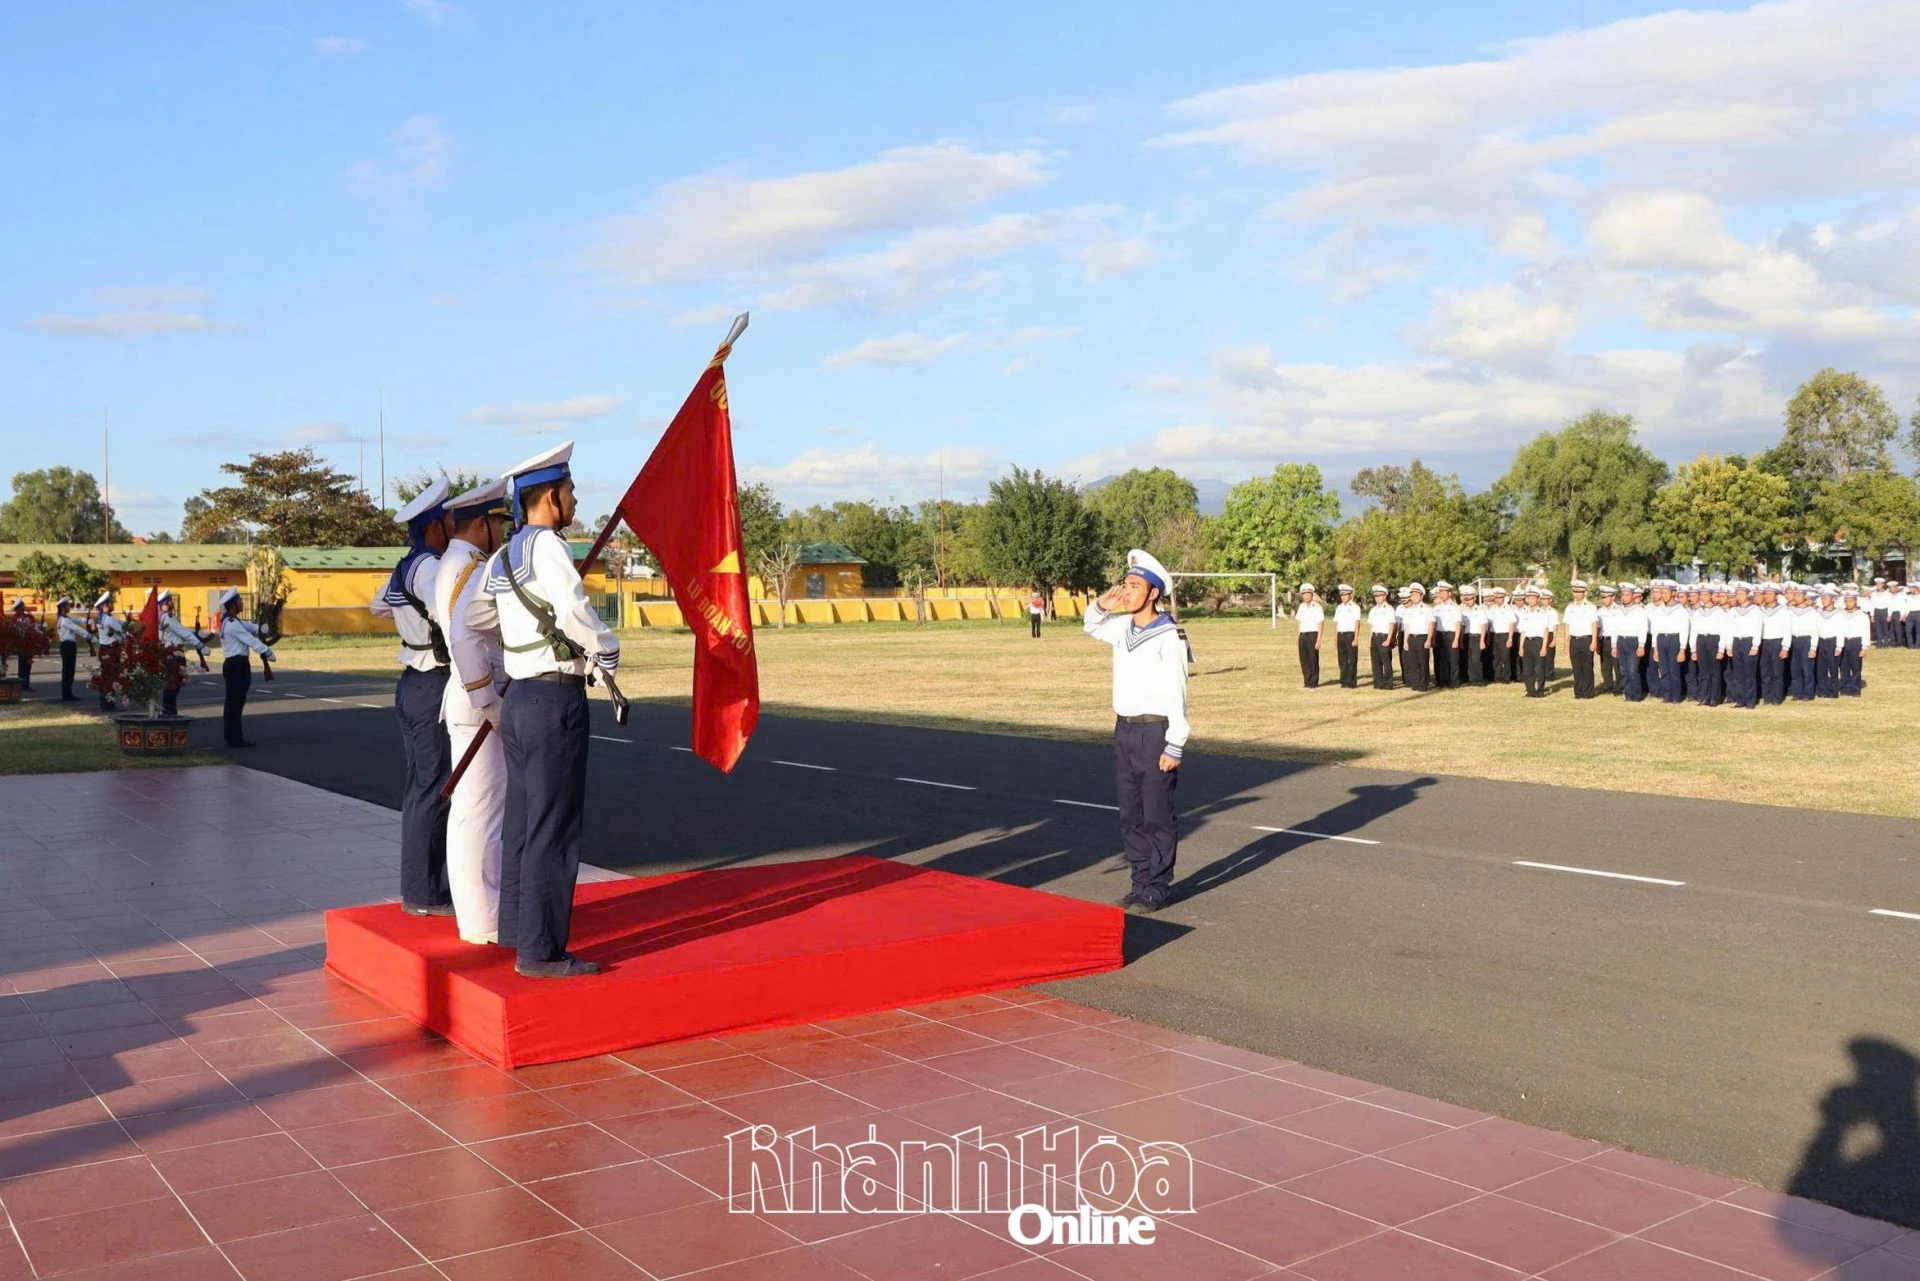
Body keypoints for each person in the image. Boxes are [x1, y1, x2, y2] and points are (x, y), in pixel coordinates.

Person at [474, 442, 621, 977]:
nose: (575, 500)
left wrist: (519, 642)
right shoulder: (549, 547)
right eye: (570, 491)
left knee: (523, 821)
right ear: (550, 498)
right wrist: (607, 651)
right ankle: (540, 952)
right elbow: (577, 613)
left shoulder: (503, 554)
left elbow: (474, 616)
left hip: (519, 696)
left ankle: (516, 930)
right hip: (553, 697)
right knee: (553, 827)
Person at [1084, 549, 1188, 914]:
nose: (1127, 592)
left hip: (1154, 731)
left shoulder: (1169, 635)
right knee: (1131, 813)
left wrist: (1175, 744)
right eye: (1125, 584)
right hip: (1125, 730)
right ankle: (1140, 881)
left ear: (1153, 593)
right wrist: (1102, 604)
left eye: (1135, 586)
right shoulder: (1122, 627)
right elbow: (1090, 625)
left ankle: (1157, 886)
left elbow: (1178, 691)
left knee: (1156, 813)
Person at [372, 478, 458, 920]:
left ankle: (419, 888)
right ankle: (428, 893)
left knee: (420, 786)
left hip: (412, 680)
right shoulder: (430, 568)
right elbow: (452, 615)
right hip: (432, 682)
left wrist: (410, 622)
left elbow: (378, 606)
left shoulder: (405, 565)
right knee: (435, 787)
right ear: (435, 527)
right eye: (450, 519)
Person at [436, 479, 512, 947]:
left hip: (468, 696)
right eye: (499, 523)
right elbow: (465, 637)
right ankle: (485, 918)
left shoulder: (454, 562)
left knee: (472, 813)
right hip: (477, 700)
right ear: (482, 524)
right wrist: (488, 700)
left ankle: (477, 914)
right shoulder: (471, 568)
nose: (503, 532)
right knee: (482, 815)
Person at [215, 587, 274, 746]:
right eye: (239, 601)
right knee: (236, 703)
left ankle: (232, 736)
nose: (242, 603)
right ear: (232, 605)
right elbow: (250, 640)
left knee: (232, 702)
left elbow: (248, 627)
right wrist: (267, 651)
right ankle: (236, 739)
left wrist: (259, 628)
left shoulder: (230, 621)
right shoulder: (232, 624)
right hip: (237, 665)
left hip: (232, 665)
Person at [156, 590, 209, 716]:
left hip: (169, 654)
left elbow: (181, 629)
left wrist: (195, 633)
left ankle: (169, 712)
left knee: (172, 685)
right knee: (173, 686)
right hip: (174, 656)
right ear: (162, 605)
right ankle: (169, 713)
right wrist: (200, 645)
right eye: (168, 602)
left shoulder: (163, 617)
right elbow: (183, 633)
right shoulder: (168, 618)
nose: (171, 604)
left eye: (170, 601)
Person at [1647, 580, 1689, 704]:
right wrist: (1655, 647)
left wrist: (1682, 648)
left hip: (1674, 639)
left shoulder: (1680, 609)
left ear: (1673, 593)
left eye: (1666, 592)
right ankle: (1667, 695)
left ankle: (1675, 696)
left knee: (1673, 669)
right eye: (1662, 593)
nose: (1663, 595)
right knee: (1663, 669)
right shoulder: (1659, 609)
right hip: (1661, 639)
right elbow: (1655, 629)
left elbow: (1684, 629)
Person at [1723, 583, 1763, 710]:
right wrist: (1729, 646)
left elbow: (1758, 628)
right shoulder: (1733, 610)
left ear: (1747, 595)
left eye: (1741, 594)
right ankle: (1740, 699)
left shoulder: (1755, 610)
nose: (1738, 597)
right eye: (1737, 594)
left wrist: (1755, 645)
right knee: (1738, 673)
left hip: (1748, 642)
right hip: (1736, 642)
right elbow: (1729, 629)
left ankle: (1750, 700)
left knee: (1749, 673)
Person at [1563, 580, 1599, 699]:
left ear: (1584, 592)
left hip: (1586, 639)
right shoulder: (1570, 607)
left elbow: (1594, 624)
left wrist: (1594, 641)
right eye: (1575, 591)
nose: (1576, 594)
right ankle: (1578, 692)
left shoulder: (1591, 607)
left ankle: (1588, 692)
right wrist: (1566, 642)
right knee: (1576, 667)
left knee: (1587, 666)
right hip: (1574, 639)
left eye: (1579, 591)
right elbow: (1567, 625)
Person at [1615, 583, 1650, 702]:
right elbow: (1615, 628)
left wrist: (1641, 645)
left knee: (1632, 670)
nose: (1624, 597)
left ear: (1633, 596)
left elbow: (1643, 628)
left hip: (1633, 641)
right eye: (1623, 595)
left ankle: (1636, 695)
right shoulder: (1619, 610)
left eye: (1627, 595)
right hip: (1621, 640)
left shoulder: (1639, 610)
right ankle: (1628, 695)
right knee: (1623, 670)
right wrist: (1614, 645)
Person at [1758, 582, 1791, 705]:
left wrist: (1785, 647)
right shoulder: (1760, 610)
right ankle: (1767, 697)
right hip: (1764, 642)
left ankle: (1777, 698)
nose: (1767, 596)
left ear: (1776, 596)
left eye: (1770, 594)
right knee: (1765, 671)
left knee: (1777, 672)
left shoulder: (1783, 610)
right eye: (1765, 593)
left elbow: (1787, 629)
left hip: (1777, 642)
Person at [1692, 584, 1725, 708]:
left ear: (1711, 595)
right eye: (1701, 594)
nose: (1703, 597)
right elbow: (1694, 631)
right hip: (1701, 639)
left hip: (1713, 639)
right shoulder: (1698, 612)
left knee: (1714, 671)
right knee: (1704, 671)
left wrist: (1721, 648)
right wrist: (1693, 649)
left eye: (1705, 594)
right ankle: (1705, 696)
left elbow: (1723, 630)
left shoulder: (1719, 611)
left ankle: (1714, 698)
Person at [1515, 585, 1550, 697]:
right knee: (1527, 668)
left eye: (1533, 598)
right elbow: (1523, 632)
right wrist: (1521, 647)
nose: (1531, 600)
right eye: (1529, 597)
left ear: (1538, 599)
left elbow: (1545, 631)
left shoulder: (1543, 613)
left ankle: (1540, 691)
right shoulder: (1525, 613)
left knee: (1539, 668)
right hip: (1527, 642)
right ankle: (1530, 690)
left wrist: (1544, 647)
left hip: (1538, 642)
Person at [1786, 583, 1819, 701]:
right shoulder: (1790, 611)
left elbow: (1815, 630)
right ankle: (1797, 692)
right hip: (1794, 640)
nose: (1797, 597)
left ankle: (1808, 693)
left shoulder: (1811, 611)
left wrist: (1813, 647)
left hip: (1806, 640)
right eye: (1795, 595)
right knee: (1795, 668)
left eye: (1799, 595)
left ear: (1805, 596)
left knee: (1807, 668)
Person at [1398, 583, 1433, 692]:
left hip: (1422, 637)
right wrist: (1405, 641)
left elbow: (1431, 624)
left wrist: (1429, 639)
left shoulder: (1427, 609)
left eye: (1416, 595)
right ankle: (1415, 683)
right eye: (1412, 595)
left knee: (1423, 662)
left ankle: (1423, 684)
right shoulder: (1409, 610)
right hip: (1411, 638)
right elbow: (1407, 626)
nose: (1414, 597)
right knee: (1413, 662)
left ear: (1421, 596)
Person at [93, 592, 124, 711]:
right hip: (111, 650)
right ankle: (109, 704)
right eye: (110, 603)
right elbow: (121, 630)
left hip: (104, 649)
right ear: (105, 605)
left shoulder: (102, 618)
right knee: (111, 677)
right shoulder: (109, 619)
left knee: (106, 677)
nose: (112, 605)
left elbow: (118, 623)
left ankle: (105, 702)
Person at [1838, 587, 1869, 696]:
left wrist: (1864, 647)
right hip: (1844, 641)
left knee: (1856, 667)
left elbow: (1866, 631)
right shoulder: (1841, 614)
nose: (1848, 603)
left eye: (1850, 601)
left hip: (1856, 642)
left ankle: (1856, 689)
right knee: (1844, 666)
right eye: (1846, 601)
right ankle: (1845, 687)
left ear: (1856, 601)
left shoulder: (1862, 615)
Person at [55, 596, 88, 701]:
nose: (70, 607)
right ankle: (67, 694)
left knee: (67, 670)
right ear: (63, 607)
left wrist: (88, 620)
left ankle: (67, 693)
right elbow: (77, 629)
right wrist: (90, 636)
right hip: (68, 646)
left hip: (66, 646)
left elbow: (77, 620)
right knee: (69, 671)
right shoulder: (65, 620)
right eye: (68, 605)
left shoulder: (65, 618)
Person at [1293, 584, 1324, 688]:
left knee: (1313, 659)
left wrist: (1319, 639)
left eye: (1308, 594)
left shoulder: (1317, 607)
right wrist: (1298, 638)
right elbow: (1299, 623)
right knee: (1304, 659)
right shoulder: (1301, 607)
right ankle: (1307, 681)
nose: (1306, 596)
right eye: (1304, 594)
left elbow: (1321, 623)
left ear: (1312, 594)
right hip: (1303, 635)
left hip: (1312, 635)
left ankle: (1314, 682)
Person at [1431, 582, 1461, 689]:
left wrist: (1456, 639)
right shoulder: (1436, 608)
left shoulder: (1455, 608)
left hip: (1451, 635)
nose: (1441, 594)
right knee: (1440, 659)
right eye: (1440, 592)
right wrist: (1433, 637)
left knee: (1453, 660)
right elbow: (1434, 624)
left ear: (1449, 593)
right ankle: (1441, 681)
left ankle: (1453, 682)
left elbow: (1458, 624)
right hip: (1439, 635)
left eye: (1444, 592)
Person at [1366, 585, 1396, 690]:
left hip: (1384, 636)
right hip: (1375, 636)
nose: (1377, 598)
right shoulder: (1373, 610)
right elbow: (1372, 626)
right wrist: (1370, 639)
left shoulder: (1389, 609)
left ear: (1384, 596)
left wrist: (1388, 639)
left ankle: (1388, 683)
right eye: (1376, 596)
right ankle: (1378, 682)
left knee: (1386, 661)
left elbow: (1392, 625)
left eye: (1379, 596)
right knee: (1376, 662)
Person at [1815, 587, 1842, 699]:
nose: (1823, 600)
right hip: (1821, 641)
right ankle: (1823, 690)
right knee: (1821, 668)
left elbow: (1841, 631)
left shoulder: (1838, 613)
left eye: (1826, 598)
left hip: (1832, 641)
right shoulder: (1818, 612)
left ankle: (1833, 690)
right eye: (1822, 598)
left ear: (1833, 599)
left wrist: (1839, 646)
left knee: (1833, 667)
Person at [1332, 584, 1361, 689]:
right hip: (1341, 634)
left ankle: (1352, 682)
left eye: (1345, 595)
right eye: (1342, 595)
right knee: (1342, 660)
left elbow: (1357, 623)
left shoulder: (1355, 607)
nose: (1343, 597)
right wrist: (1336, 637)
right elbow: (1336, 623)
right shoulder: (1339, 608)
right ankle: (1344, 681)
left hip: (1350, 634)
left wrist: (1356, 638)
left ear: (1350, 595)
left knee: (1352, 660)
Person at [1486, 586, 1516, 685]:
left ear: (1503, 598)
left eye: (1499, 597)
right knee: (1496, 656)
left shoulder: (1508, 609)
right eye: (1496, 597)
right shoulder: (1492, 609)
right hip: (1494, 635)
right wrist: (1488, 637)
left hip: (1504, 635)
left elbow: (1511, 624)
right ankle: (1497, 676)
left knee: (1505, 657)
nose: (1497, 599)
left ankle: (1506, 676)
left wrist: (1510, 638)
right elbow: (1489, 624)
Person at [1460, 585, 1488, 687]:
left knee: (1476, 659)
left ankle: (1478, 679)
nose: (1468, 601)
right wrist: (1460, 640)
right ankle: (1470, 679)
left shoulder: (1480, 610)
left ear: (1474, 598)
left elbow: (1483, 626)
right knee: (1468, 659)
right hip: (1466, 637)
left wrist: (1482, 640)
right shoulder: (1463, 611)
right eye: (1466, 599)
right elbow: (1462, 626)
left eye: (1470, 599)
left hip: (1476, 636)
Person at [1596, 585, 1620, 695]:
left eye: (1606, 597)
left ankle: (1619, 687)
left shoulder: (1619, 610)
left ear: (1613, 597)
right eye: (1602, 597)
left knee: (1617, 665)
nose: (1604, 600)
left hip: (1616, 640)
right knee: (1605, 665)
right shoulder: (1600, 611)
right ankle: (1608, 686)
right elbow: (1598, 627)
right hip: (1604, 640)